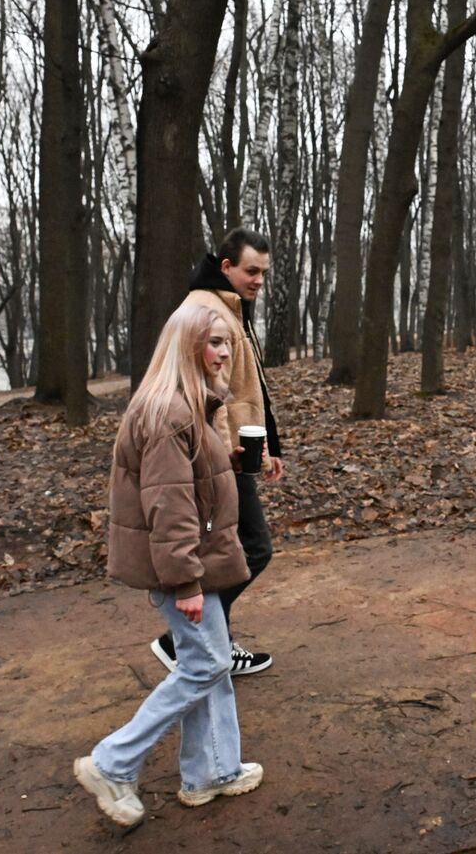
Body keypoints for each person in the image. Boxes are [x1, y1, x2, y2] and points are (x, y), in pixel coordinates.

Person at [74, 303, 262, 826]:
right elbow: (170, 504)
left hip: (196, 562)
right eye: (213, 343)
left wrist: (240, 465)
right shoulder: (169, 413)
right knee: (206, 665)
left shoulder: (190, 404)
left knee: (212, 663)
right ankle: (112, 762)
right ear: (186, 346)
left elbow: (191, 484)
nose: (223, 353)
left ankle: (211, 773)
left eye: (227, 343)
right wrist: (184, 581)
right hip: (181, 568)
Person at [149, 228, 282, 677]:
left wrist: (270, 445)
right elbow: (207, 394)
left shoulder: (227, 306)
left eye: (263, 272)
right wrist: (229, 457)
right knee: (252, 548)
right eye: (251, 270)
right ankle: (186, 640)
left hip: (234, 448)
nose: (258, 280)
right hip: (218, 454)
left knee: (230, 549)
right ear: (226, 267)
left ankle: (210, 640)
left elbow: (249, 384)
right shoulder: (205, 313)